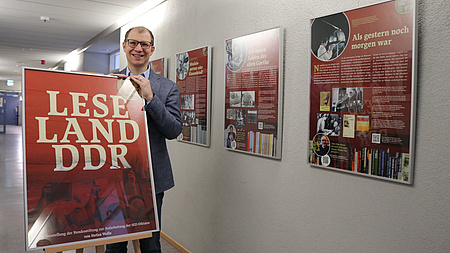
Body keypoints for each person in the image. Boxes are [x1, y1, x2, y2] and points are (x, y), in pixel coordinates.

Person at [106, 26, 183, 253]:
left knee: (150, 244)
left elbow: (173, 130)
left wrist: (150, 97)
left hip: (152, 178)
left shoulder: (167, 87)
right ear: (124, 46)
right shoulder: (105, 83)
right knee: (115, 244)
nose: (138, 48)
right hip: (114, 176)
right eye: (132, 43)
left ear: (152, 49)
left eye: (144, 44)